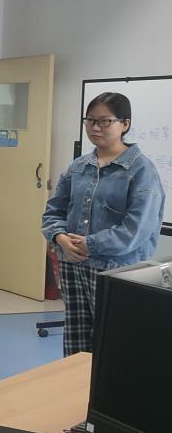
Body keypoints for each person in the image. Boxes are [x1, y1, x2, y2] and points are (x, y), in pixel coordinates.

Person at [41, 92, 165, 357]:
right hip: (73, 265)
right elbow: (53, 211)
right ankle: (77, 383)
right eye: (90, 120)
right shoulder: (79, 167)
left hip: (115, 270)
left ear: (125, 124)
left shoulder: (141, 170)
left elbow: (136, 230)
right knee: (76, 341)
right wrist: (59, 237)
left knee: (114, 342)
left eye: (105, 121)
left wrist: (90, 244)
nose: (95, 127)